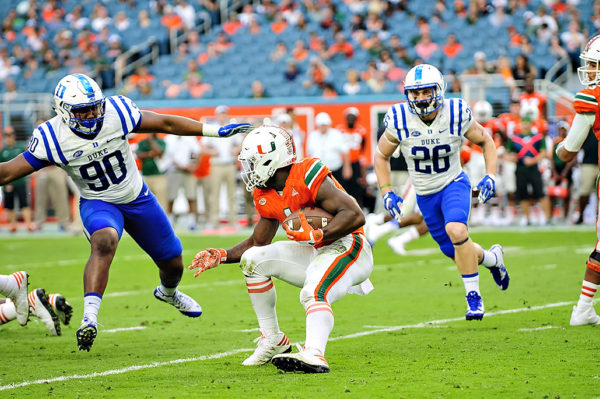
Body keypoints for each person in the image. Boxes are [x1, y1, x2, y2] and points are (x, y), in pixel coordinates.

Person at [0, 74, 252, 351]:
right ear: (63, 111)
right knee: (104, 241)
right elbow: (9, 171)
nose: (92, 114)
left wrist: (214, 131)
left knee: (173, 262)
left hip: (137, 198)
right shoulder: (52, 137)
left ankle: (168, 294)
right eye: (83, 110)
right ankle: (90, 319)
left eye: (95, 106)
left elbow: (166, 122)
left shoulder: (116, 113)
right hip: (99, 203)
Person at [190, 126, 373, 373]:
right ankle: (273, 339)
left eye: (253, 162)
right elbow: (258, 241)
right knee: (253, 260)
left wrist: (319, 234)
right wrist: (222, 255)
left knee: (313, 292)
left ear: (270, 158)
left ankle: (315, 354)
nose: (249, 169)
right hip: (314, 249)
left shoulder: (307, 173)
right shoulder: (264, 191)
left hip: (348, 246)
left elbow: (354, 214)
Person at [374, 64, 510, 321]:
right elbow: (381, 156)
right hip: (425, 193)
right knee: (454, 249)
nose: (421, 98)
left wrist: (490, 175)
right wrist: (387, 192)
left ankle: (473, 297)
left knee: (457, 231)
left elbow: (486, 141)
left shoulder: (455, 112)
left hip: (453, 183)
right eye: (415, 93)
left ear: (439, 90)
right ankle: (493, 259)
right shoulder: (400, 118)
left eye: (426, 91)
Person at [556, 35, 600, 325]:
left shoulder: (592, 98)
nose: (590, 71)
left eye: (595, 65)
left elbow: (568, 150)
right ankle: (583, 308)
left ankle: (583, 308)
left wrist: (557, 148)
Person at [0, 127, 34, 232]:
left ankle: (29, 224)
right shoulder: (3, 151)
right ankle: (13, 225)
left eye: (11, 135)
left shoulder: (20, 148)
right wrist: (5, 184)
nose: (9, 138)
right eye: (7, 135)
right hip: (9, 184)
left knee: (24, 203)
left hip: (21, 181)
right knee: (10, 205)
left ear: (14, 136)